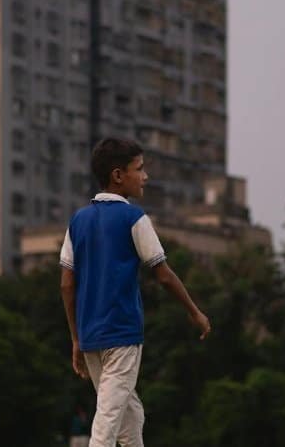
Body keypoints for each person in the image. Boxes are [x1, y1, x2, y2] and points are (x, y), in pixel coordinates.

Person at [60, 137, 211, 447]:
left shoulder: (78, 220)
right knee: (107, 422)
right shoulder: (134, 218)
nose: (145, 176)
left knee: (131, 416)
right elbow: (164, 276)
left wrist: (75, 338)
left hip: (90, 337)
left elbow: (66, 284)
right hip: (122, 334)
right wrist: (195, 312)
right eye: (139, 169)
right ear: (118, 175)